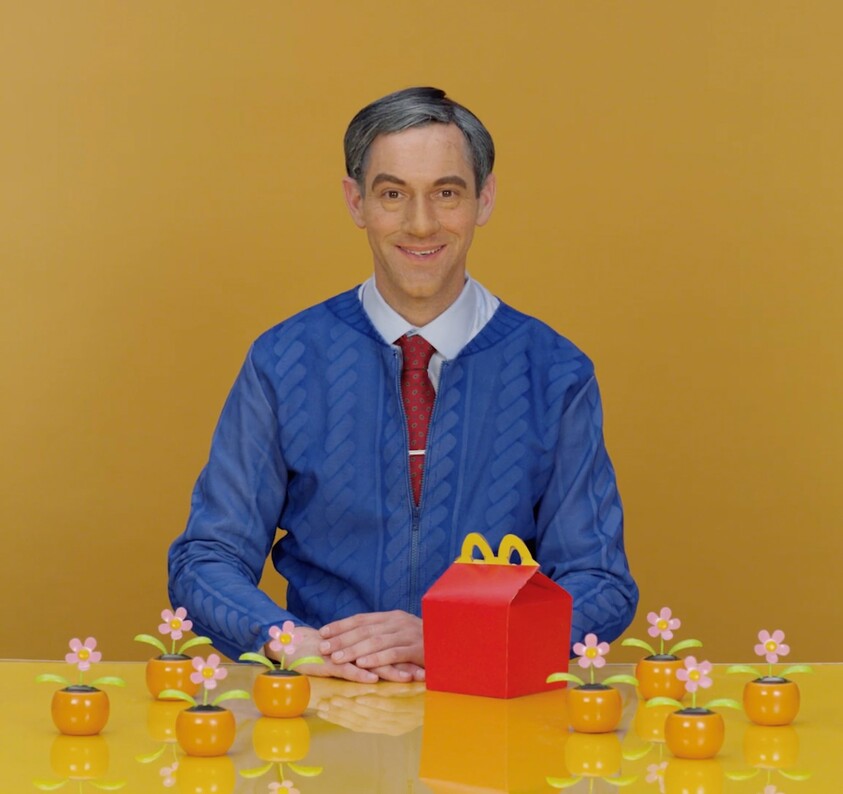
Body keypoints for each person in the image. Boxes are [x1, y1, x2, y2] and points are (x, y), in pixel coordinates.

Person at [168, 86, 638, 684]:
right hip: (324, 697)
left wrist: (459, 638)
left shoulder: (555, 370)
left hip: (495, 704)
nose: (421, 223)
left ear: (484, 199)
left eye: (447, 193)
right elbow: (205, 559)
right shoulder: (283, 360)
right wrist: (297, 644)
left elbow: (600, 581)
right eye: (393, 194)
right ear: (356, 202)